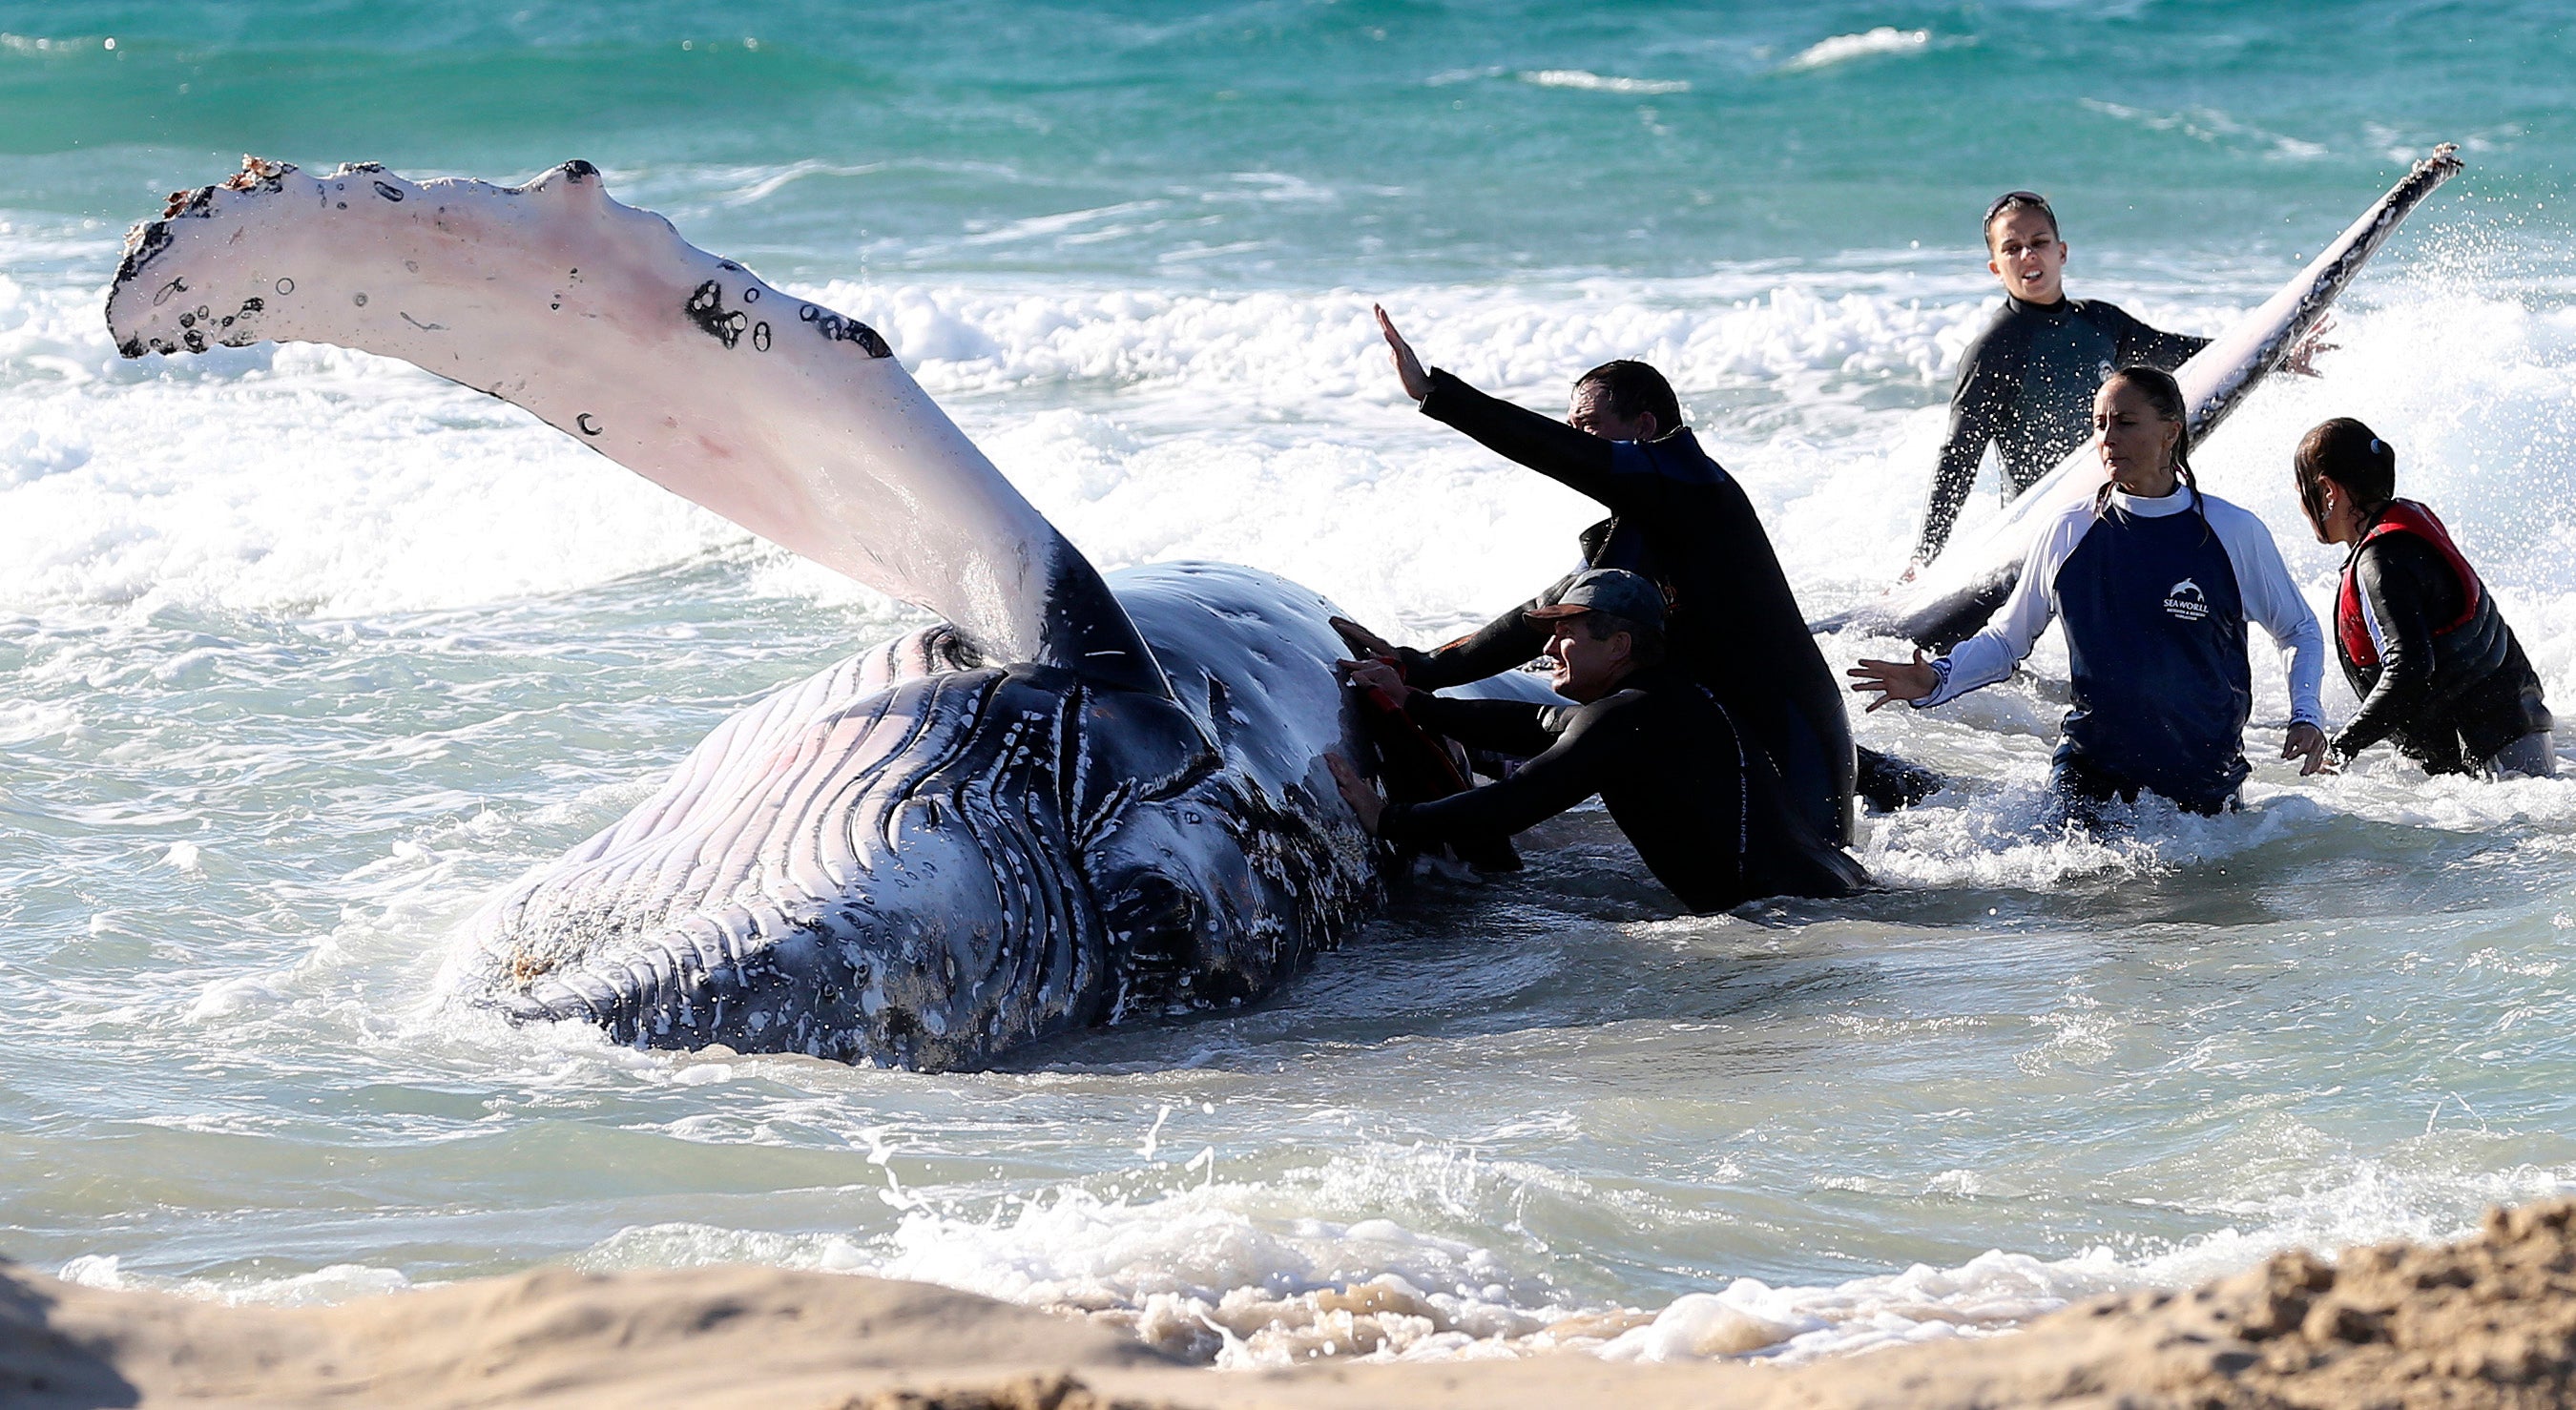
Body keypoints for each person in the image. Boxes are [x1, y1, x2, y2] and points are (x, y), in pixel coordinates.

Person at [1354, 306, 1874, 845]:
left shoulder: (1694, 486)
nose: (1578, 441)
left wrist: (1434, 394)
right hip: (1716, 722)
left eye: (1589, 428)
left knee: (1808, 886)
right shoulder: (1640, 523)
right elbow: (1545, 613)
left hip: (1792, 727)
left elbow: (1559, 454)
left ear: (1643, 428)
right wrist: (1416, 669)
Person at [1851, 366, 2329, 823]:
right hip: (2089, 777)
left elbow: (2298, 628)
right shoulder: (2069, 529)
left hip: (2201, 783)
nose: (2108, 438)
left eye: (2124, 423)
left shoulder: (2230, 531)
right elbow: (2006, 641)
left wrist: (2305, 714)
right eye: (2099, 424)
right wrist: (1936, 679)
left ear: (2171, 432)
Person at [1329, 570, 1867, 913]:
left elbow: (1511, 806)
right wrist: (1417, 703)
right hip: (1835, 890)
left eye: (1569, 632)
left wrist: (1389, 819)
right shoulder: (1672, 699)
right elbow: (1542, 725)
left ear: (1620, 646)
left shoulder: (1626, 717)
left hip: (1793, 914)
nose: (1551, 646)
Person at [1910, 191, 2325, 570]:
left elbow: (2181, 352)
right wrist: (1924, 559)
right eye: (2012, 248)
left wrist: (2281, 356)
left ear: (2062, 251)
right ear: (1995, 268)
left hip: (2118, 517)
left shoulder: (2099, 322)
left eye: (2038, 243)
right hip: (2046, 540)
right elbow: (1958, 457)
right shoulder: (1994, 351)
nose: (2027, 255)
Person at [2292, 417, 2554, 778]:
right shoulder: (2405, 524)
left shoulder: (2380, 561)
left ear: (2327, 490)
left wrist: (2341, 748)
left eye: (2302, 492)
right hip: (2518, 735)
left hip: (2494, 753)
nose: (2303, 507)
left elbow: (2410, 669)